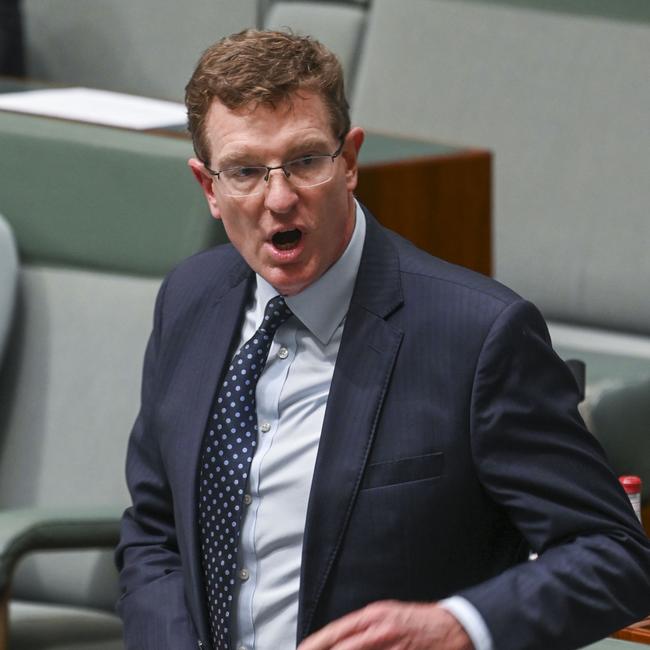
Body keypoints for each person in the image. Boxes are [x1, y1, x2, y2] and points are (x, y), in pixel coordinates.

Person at [115, 29, 650, 650]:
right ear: (208, 187)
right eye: (245, 172)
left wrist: (460, 626)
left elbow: (616, 556)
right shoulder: (190, 300)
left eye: (307, 160)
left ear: (350, 161)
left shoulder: (476, 337)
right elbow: (154, 532)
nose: (280, 198)